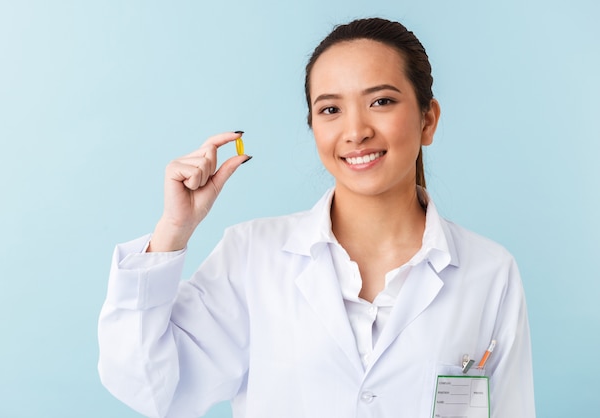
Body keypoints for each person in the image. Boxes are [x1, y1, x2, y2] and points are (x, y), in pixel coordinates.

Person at [98, 17, 535, 418]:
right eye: (330, 109)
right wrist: (173, 230)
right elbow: (149, 386)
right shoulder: (253, 256)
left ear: (428, 119)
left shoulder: (489, 272)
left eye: (381, 101)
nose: (356, 130)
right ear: (313, 126)